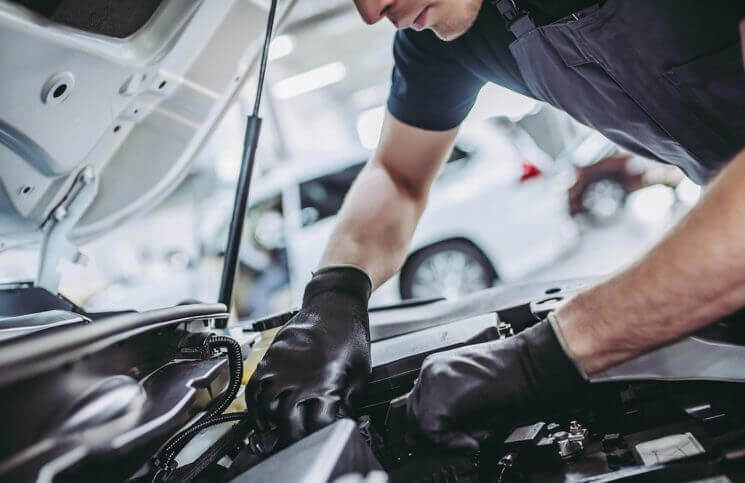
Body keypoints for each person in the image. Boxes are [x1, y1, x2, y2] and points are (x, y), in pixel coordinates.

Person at [246, 0, 745, 451]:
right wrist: (336, 293)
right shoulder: (445, 33)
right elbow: (397, 176)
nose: (371, 11)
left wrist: (542, 358)